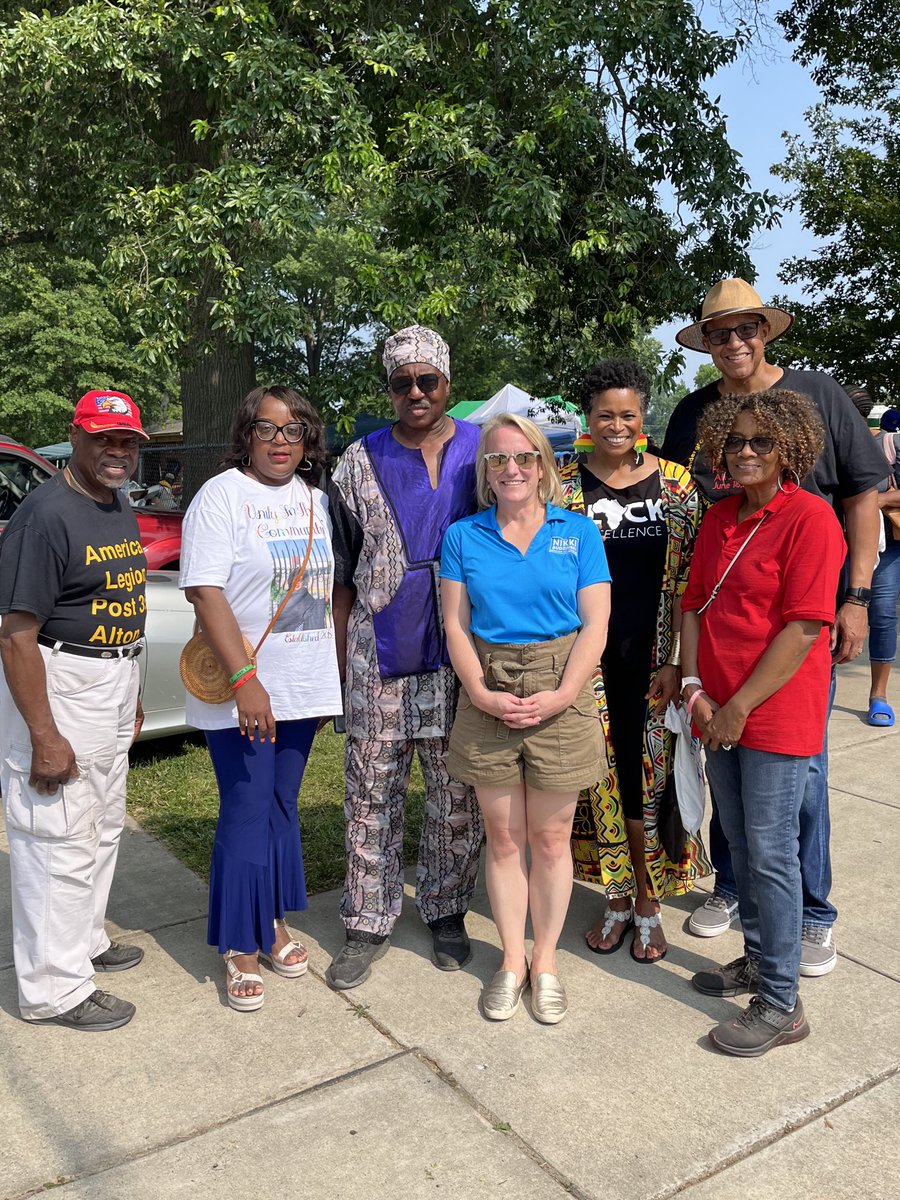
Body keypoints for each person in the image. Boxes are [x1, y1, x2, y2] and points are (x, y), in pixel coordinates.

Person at [664, 278, 884, 976]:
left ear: (766, 331)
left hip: (799, 610)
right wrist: (686, 661)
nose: (734, 343)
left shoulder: (815, 393)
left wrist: (856, 595)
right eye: (719, 333)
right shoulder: (694, 414)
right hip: (725, 609)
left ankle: (810, 914)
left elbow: (862, 496)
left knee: (798, 782)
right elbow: (677, 505)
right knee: (730, 776)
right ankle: (739, 900)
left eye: (745, 329)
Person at [681, 388, 845, 1055]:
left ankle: (782, 1003)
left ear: (790, 449)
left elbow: (805, 627)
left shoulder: (811, 519)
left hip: (773, 714)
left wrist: (738, 707)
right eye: (736, 441)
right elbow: (693, 606)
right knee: (741, 845)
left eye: (762, 442)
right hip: (714, 708)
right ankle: (760, 958)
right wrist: (695, 689)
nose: (745, 452)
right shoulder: (719, 519)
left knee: (773, 851)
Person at [327, 326, 484, 990]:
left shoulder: (488, 451)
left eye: (428, 381)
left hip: (463, 649)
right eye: (402, 383)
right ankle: (366, 920)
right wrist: (338, 670)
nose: (416, 393)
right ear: (389, 388)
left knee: (456, 791)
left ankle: (447, 909)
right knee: (371, 791)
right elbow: (339, 577)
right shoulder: (356, 462)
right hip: (376, 650)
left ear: (448, 383)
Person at [180, 385, 345, 1012]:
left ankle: (272, 920)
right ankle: (239, 942)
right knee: (247, 807)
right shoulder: (221, 496)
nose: (281, 440)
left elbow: (326, 594)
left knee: (280, 806)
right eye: (268, 428)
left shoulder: (317, 502)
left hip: (303, 685)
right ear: (246, 434)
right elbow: (205, 590)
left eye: (294, 429)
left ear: (308, 442)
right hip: (244, 687)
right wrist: (247, 679)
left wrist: (326, 680)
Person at [441, 414, 610, 1023]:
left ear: (543, 465)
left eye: (523, 458)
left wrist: (565, 693)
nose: (511, 469)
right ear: (485, 471)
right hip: (489, 689)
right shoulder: (463, 537)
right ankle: (512, 960)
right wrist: (481, 693)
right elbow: (456, 625)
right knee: (505, 837)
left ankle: (546, 961)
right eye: (497, 459)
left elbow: (595, 624)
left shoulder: (578, 533)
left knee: (550, 837)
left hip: (559, 688)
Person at [0, 390, 149, 1030]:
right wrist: (43, 734)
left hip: (111, 680)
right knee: (56, 832)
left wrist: (133, 685)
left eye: (127, 442)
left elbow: (119, 599)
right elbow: (14, 633)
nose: (117, 452)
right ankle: (53, 990)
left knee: (101, 821)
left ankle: (83, 942)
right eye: (103, 439)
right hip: (61, 681)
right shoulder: (45, 515)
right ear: (77, 438)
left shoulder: (115, 504)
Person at [559, 360, 710, 963]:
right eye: (605, 415)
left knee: (649, 780)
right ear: (587, 420)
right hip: (584, 665)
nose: (617, 425)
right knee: (599, 782)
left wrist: (679, 660)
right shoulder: (563, 487)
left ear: (643, 418)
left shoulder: (676, 485)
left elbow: (694, 585)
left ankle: (651, 900)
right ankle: (618, 897)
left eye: (628, 414)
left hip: (655, 664)